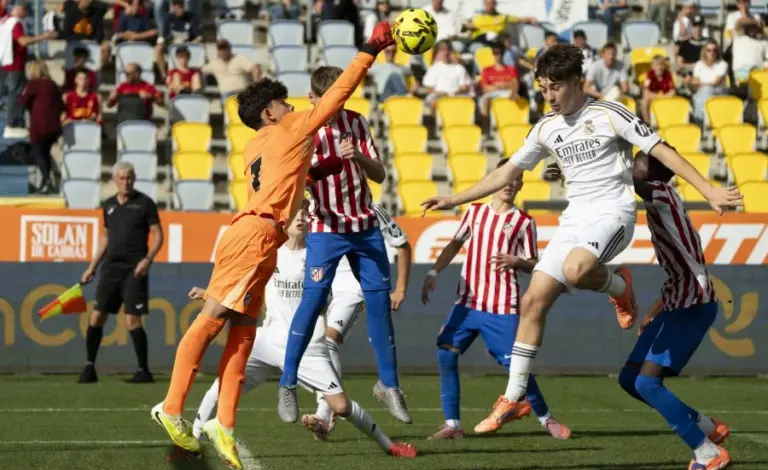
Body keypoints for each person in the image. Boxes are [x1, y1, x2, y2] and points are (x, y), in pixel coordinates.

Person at [420, 44, 743, 426]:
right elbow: (505, 173)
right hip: (575, 218)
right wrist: (454, 198)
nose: (549, 96)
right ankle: (511, 396)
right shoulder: (545, 128)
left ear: (576, 81)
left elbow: (661, 151)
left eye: (555, 88)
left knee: (575, 270)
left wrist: (708, 189)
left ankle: (620, 287)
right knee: (532, 300)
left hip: (613, 213)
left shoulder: (609, 113)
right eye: (542, 89)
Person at [150, 22, 395, 470]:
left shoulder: (256, 147)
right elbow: (338, 95)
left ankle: (223, 423)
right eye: (283, 102)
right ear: (268, 112)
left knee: (243, 332)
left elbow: (291, 184)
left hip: (258, 233)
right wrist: (370, 48)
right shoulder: (288, 129)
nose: (292, 106)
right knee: (213, 321)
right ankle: (170, 405)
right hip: (256, 235)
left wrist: (322, 172)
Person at [190, 210, 417, 458]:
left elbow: (325, 300)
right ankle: (191, 443)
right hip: (268, 340)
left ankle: (388, 445)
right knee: (220, 386)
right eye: (294, 215)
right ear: (283, 223)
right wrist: (210, 293)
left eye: (304, 215)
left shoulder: (319, 256)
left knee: (341, 406)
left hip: (307, 345)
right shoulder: (269, 251)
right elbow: (244, 282)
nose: (300, 219)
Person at [278, 64, 409, 425]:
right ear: (313, 99)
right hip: (326, 227)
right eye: (330, 99)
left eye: (342, 98)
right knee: (314, 299)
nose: (337, 106)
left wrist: (359, 158)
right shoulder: (304, 130)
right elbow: (295, 177)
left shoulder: (358, 122)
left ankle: (389, 385)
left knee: (379, 302)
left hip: (364, 225)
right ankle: (287, 382)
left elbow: (380, 174)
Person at [421, 163, 571, 440]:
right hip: (467, 303)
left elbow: (533, 264)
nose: (511, 184)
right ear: (495, 181)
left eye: (518, 180)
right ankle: (452, 425)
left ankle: (545, 418)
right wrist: (433, 272)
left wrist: (518, 261)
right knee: (445, 353)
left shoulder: (524, 222)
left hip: (502, 306)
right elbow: (455, 244)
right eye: (508, 178)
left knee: (517, 366)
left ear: (521, 186)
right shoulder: (475, 212)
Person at [620, 148, 731, 470]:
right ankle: (706, 426)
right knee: (629, 378)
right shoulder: (662, 197)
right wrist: (656, 308)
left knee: (646, 383)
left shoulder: (661, 192)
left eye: (637, 158)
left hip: (692, 305)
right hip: (677, 301)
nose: (633, 163)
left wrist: (578, 168)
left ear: (652, 169)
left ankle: (706, 451)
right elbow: (681, 269)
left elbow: (627, 181)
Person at [304, 203, 411, 439]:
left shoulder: (371, 209)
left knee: (329, 342)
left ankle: (325, 411)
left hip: (354, 288)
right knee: (314, 346)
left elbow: (402, 244)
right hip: (324, 284)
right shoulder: (315, 205)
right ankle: (329, 407)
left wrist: (401, 288)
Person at [79, 162, 164, 384]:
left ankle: (143, 370)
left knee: (132, 320)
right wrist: (92, 268)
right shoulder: (108, 205)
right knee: (97, 316)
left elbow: (158, 235)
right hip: (110, 269)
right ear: (115, 180)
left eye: (129, 178)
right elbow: (105, 237)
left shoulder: (145, 204)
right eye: (121, 178)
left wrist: (147, 260)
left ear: (134, 179)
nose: (125, 182)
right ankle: (89, 368)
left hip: (134, 270)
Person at [0, 2, 57, 139]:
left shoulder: (6, 19)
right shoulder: (15, 23)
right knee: (17, 93)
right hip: (14, 65)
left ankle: (14, 123)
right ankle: (13, 124)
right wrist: (44, 37)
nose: (26, 15)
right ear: (21, 10)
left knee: (16, 92)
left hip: (7, 62)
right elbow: (22, 41)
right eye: (26, 12)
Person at [18, 61, 64, 193]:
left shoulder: (34, 84)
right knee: (45, 153)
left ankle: (47, 180)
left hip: (39, 124)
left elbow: (22, 101)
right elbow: (61, 105)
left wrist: (22, 93)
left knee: (38, 152)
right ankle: (45, 184)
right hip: (53, 126)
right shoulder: (53, 84)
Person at [155, 0, 200, 78]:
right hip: (171, 44)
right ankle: (164, 75)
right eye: (175, 6)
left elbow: (197, 36)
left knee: (202, 47)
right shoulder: (168, 18)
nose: (178, 9)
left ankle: (198, 74)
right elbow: (165, 35)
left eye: (180, 7)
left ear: (183, 7)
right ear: (173, 7)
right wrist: (173, 40)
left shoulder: (191, 17)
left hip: (188, 45)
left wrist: (188, 41)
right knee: (158, 48)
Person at [422, 40, 472, 108]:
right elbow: (428, 88)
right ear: (438, 53)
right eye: (442, 50)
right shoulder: (434, 68)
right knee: (433, 101)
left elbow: (464, 87)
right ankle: (437, 118)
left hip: (456, 96)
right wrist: (440, 93)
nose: (446, 53)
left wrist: (455, 93)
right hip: (438, 96)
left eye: (448, 50)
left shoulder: (460, 68)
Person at [61, 0, 110, 66]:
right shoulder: (70, 13)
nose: (90, 1)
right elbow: (67, 35)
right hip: (76, 44)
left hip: (92, 43)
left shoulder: (96, 14)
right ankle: (78, 71)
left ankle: (98, 70)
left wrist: (93, 41)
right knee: (80, 55)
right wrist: (82, 39)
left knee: (106, 47)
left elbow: (100, 34)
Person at [690, 40, 728, 124]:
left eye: (715, 50)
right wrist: (700, 84)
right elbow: (695, 83)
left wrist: (702, 84)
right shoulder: (699, 65)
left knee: (707, 90)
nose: (712, 52)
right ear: (705, 52)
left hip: (719, 93)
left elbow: (716, 83)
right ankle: (703, 121)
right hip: (702, 93)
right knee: (701, 94)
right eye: (709, 50)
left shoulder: (722, 64)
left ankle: (701, 122)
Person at [478, 43, 519, 118]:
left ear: (503, 54)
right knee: (483, 99)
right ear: (493, 54)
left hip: (507, 94)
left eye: (501, 52)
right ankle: (486, 127)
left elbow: (514, 84)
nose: (498, 55)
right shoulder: (486, 70)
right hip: (493, 95)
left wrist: (496, 86)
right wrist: (504, 85)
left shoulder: (511, 69)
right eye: (495, 53)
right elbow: (485, 88)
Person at [731, 18, 768, 84]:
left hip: (758, 73)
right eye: (750, 27)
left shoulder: (763, 42)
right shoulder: (738, 37)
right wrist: (757, 22)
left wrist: (762, 28)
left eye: (754, 27)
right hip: (741, 74)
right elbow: (740, 22)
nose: (752, 29)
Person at [641, 56, 675, 124]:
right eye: (657, 65)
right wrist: (659, 96)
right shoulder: (650, 75)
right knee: (644, 101)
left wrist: (663, 96)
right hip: (655, 97)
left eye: (662, 65)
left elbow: (673, 92)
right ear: (652, 66)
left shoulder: (668, 74)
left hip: (665, 97)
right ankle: (647, 122)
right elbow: (645, 92)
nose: (660, 68)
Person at [675, 15, 707, 82]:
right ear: (691, 27)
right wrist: (695, 66)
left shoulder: (709, 43)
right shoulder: (685, 44)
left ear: (703, 27)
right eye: (695, 25)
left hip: (706, 76)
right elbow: (680, 64)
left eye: (700, 25)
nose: (698, 28)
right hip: (689, 77)